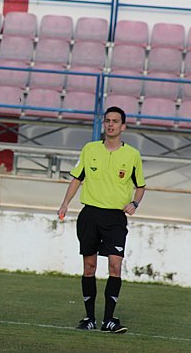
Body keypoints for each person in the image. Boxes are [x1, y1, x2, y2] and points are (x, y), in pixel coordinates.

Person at [57, 106, 145, 334]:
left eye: (116, 121)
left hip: (115, 218)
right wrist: (65, 203)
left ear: (123, 126)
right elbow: (77, 178)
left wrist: (134, 203)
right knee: (89, 266)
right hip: (90, 215)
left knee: (115, 265)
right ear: (103, 124)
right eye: (108, 121)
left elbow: (141, 186)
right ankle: (89, 318)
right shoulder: (90, 149)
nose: (111, 124)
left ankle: (109, 319)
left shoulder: (132, 155)